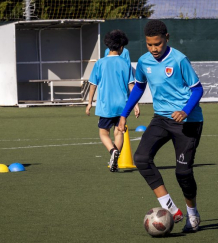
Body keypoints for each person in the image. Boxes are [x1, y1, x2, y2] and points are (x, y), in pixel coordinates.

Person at [117, 20, 204, 232]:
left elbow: (198, 89)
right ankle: (170, 207)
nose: (154, 49)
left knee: (183, 173)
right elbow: (138, 87)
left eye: (158, 44)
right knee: (141, 158)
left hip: (188, 121)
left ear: (167, 38)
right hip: (161, 119)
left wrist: (185, 110)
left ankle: (192, 214)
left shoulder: (179, 59)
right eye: (149, 45)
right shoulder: (144, 61)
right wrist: (123, 114)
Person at [86, 30, 139, 172]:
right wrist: (136, 104)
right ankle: (116, 157)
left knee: (103, 133)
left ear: (107, 46)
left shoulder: (100, 63)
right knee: (119, 132)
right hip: (123, 105)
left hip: (106, 105)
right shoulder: (125, 63)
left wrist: (90, 102)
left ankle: (112, 151)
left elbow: (93, 84)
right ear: (122, 47)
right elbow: (131, 85)